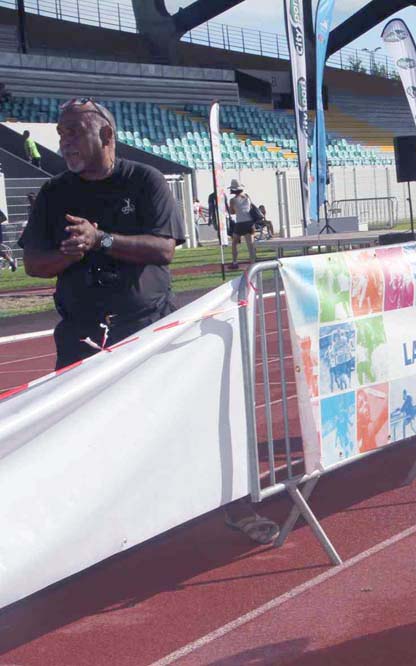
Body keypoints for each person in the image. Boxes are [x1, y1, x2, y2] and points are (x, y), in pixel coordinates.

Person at [18, 99, 279, 546]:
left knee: (189, 416)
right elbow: (33, 264)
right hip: (81, 334)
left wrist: (101, 240)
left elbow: (164, 249)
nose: (65, 143)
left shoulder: (144, 180)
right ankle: (81, 533)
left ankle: (234, 504)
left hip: (149, 327)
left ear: (106, 135)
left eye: (74, 132)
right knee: (79, 432)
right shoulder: (54, 192)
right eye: (61, 134)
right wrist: (68, 254)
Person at [227, 179, 256, 269]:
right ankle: (253, 263)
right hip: (249, 222)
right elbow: (250, 207)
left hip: (240, 223)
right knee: (250, 244)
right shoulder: (247, 196)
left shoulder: (232, 200)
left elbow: (232, 212)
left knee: (234, 243)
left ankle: (235, 262)